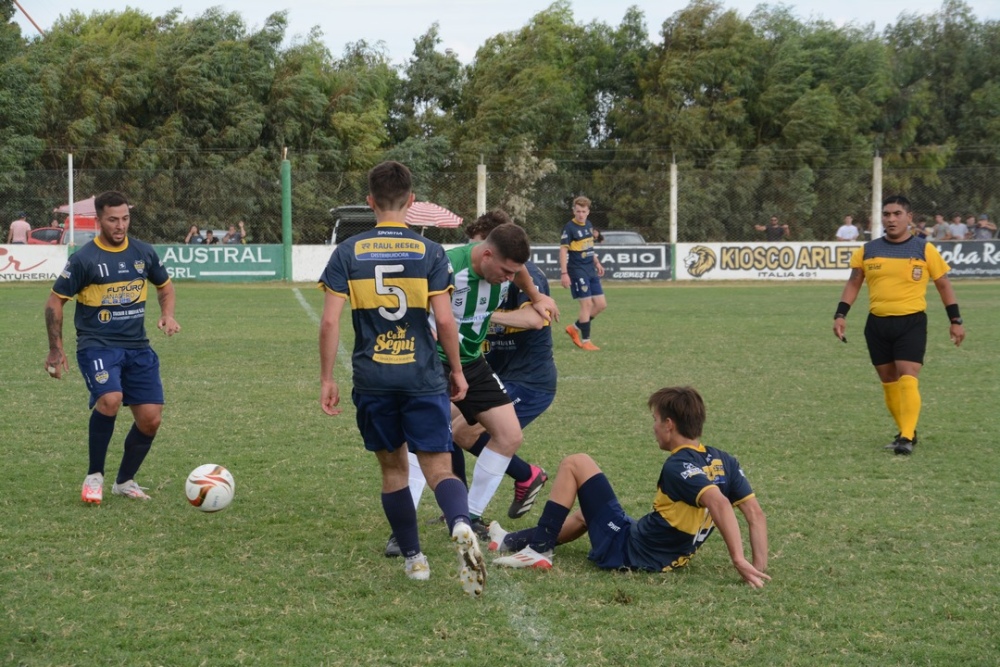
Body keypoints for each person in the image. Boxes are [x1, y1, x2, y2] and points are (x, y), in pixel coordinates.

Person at [317, 160, 486, 597]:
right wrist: (457, 370)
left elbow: (330, 324)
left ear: (370, 202)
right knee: (437, 466)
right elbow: (445, 322)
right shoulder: (430, 253)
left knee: (394, 470)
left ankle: (414, 559)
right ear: (411, 202)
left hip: (373, 379)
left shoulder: (347, 252)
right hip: (421, 376)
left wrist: (325, 377)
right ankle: (462, 524)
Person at [383, 213, 557, 558]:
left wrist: (536, 296)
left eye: (513, 273)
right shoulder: (447, 266)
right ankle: (401, 533)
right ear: (485, 253)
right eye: (505, 272)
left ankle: (469, 515)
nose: (509, 279)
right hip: (434, 361)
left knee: (509, 435)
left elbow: (520, 271)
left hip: (472, 362)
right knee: (428, 435)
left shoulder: (509, 268)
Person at [489, 386, 771, 588]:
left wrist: (737, 559)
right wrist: (757, 569)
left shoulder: (677, 466)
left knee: (576, 463)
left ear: (669, 425)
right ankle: (507, 541)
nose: (654, 427)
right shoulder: (725, 460)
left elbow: (719, 504)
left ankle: (539, 550)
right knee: (589, 515)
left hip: (630, 552)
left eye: (655, 420)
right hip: (666, 555)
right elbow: (755, 515)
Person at [43, 190, 181, 504]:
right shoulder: (85, 259)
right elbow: (54, 303)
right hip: (98, 346)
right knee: (110, 399)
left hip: (138, 348)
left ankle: (125, 481)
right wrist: (55, 348)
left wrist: (168, 314)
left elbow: (166, 286)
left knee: (151, 418)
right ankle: (94, 477)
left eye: (125, 218)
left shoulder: (143, 253)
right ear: (99, 220)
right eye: (113, 220)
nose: (120, 226)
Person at [832, 195, 965, 455]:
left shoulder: (924, 249)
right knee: (888, 381)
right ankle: (908, 430)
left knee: (908, 375)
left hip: (911, 322)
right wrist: (840, 314)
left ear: (909, 217)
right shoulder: (868, 250)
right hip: (877, 325)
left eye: (896, 214)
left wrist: (955, 320)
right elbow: (854, 283)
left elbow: (943, 284)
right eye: (887, 214)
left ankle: (905, 437)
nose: (891, 219)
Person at [560, 196, 606, 351]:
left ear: (588, 212)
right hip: (577, 270)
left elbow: (589, 248)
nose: (580, 214)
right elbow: (563, 250)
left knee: (600, 305)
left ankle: (574, 328)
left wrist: (597, 262)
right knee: (586, 304)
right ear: (573, 211)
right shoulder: (569, 228)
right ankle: (586, 341)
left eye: (583, 211)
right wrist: (564, 273)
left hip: (590, 269)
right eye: (578, 211)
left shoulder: (588, 225)